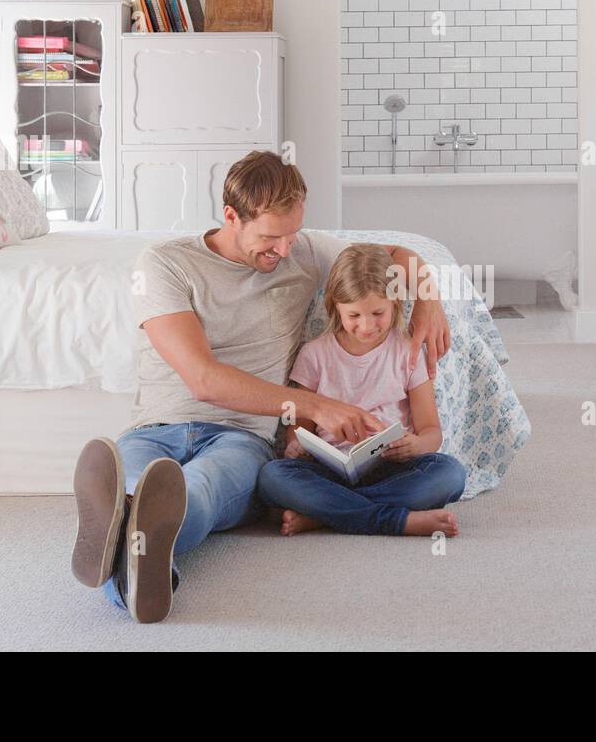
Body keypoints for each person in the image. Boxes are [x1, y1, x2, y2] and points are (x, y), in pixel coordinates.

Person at [68, 150, 451, 623]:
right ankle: (135, 564)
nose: (285, 250)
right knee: (133, 490)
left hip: (240, 436)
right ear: (231, 216)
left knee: (196, 489)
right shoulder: (166, 264)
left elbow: (391, 259)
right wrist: (317, 406)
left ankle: (128, 560)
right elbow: (203, 380)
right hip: (154, 427)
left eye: (292, 235)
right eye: (271, 237)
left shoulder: (304, 251)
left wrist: (429, 299)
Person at [258, 243, 466, 537]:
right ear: (335, 307)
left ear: (395, 302)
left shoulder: (407, 351)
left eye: (377, 313)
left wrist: (417, 446)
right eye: (354, 316)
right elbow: (298, 426)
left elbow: (431, 430)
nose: (367, 326)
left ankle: (326, 515)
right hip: (328, 469)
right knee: (272, 477)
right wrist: (296, 445)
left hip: (391, 468)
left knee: (450, 474)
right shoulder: (315, 354)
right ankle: (395, 520)